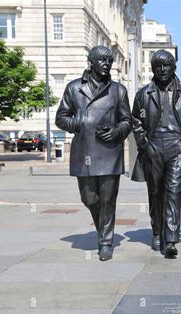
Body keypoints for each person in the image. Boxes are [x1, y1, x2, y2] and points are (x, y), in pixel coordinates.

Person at [55, 45, 132, 261]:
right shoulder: (73, 88)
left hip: (109, 153)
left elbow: (128, 121)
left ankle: (105, 242)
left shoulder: (118, 90)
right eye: (102, 60)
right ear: (92, 62)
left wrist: (117, 131)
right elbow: (60, 118)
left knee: (108, 200)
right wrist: (78, 122)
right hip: (84, 152)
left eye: (109, 60)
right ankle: (103, 230)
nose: (107, 64)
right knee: (89, 199)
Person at [131, 50, 181, 259]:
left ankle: (170, 239)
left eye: (166, 65)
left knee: (173, 192)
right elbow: (136, 123)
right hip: (153, 147)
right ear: (152, 68)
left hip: (176, 147)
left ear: (174, 67)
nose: (162, 69)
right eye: (158, 66)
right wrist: (145, 144)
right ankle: (157, 232)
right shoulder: (143, 94)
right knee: (155, 192)